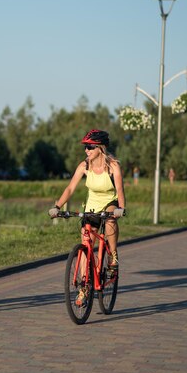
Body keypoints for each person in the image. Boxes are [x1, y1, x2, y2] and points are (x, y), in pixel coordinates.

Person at [48, 129, 126, 302]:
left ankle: (112, 255)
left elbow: (119, 190)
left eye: (90, 147)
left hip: (109, 203)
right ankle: (84, 287)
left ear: (100, 148)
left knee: (111, 219)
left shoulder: (113, 166)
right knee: (85, 246)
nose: (86, 150)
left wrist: (121, 207)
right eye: (85, 147)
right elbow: (70, 188)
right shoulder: (84, 166)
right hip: (91, 207)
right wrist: (57, 206)